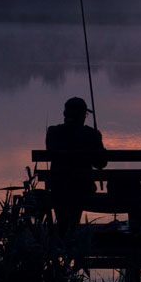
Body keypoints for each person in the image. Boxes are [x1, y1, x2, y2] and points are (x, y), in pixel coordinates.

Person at [46, 97, 107, 236]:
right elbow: (100, 164)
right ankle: (71, 231)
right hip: (83, 188)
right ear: (83, 115)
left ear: (65, 114)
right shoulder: (92, 134)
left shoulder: (53, 132)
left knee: (63, 197)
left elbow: (51, 154)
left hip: (58, 187)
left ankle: (64, 234)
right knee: (77, 192)